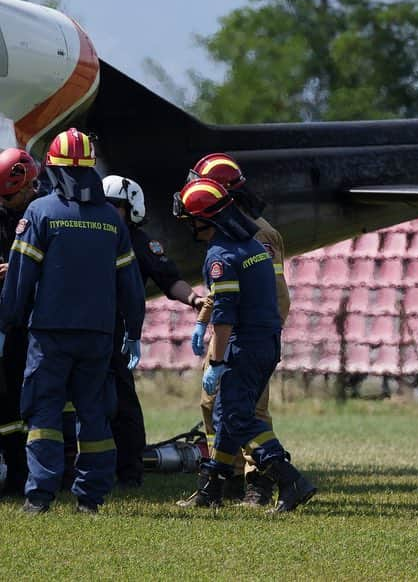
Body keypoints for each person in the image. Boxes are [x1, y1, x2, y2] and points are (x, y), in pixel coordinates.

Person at [0, 128, 145, 514]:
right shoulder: (112, 221)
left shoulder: (40, 212)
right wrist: (134, 331)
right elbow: (131, 285)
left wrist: (7, 321)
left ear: (52, 167)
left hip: (49, 336)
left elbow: (19, 279)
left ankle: (39, 497)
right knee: (93, 414)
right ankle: (91, 499)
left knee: (44, 413)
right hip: (99, 337)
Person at [173, 177, 314, 513]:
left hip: (244, 345)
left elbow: (224, 317)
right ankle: (210, 490)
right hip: (266, 342)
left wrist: (218, 362)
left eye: (190, 219)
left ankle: (290, 479)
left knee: (238, 416)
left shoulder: (220, 257)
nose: (188, 226)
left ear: (204, 221)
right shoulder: (252, 246)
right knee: (228, 415)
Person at [184, 153, 290, 506]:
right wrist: (203, 324)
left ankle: (259, 483)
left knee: (249, 411)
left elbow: (272, 295)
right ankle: (217, 482)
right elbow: (223, 293)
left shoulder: (258, 233)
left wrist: (256, 338)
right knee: (211, 404)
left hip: (248, 335)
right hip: (228, 333)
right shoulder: (231, 229)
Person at [102, 174, 206, 488]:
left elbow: (168, 278)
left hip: (115, 335)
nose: (109, 211)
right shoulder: (89, 233)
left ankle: (129, 472)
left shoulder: (140, 243)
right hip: (78, 330)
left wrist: (193, 298)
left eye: (115, 206)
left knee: (122, 406)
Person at [0, 148, 42, 497]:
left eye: (10, 194)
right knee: (9, 401)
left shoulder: (46, 214)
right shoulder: (4, 212)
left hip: (43, 320)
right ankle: (17, 474)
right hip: (11, 322)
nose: (6, 200)